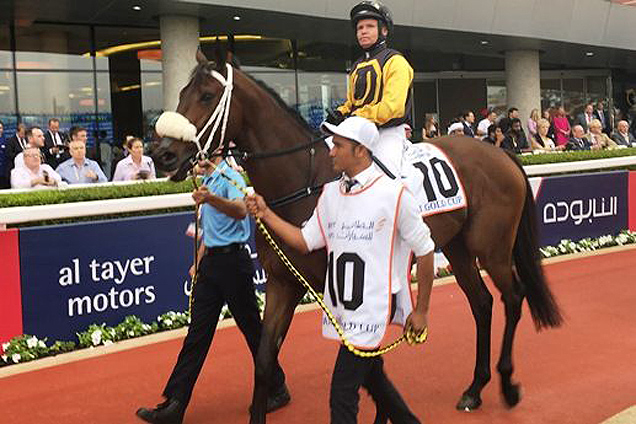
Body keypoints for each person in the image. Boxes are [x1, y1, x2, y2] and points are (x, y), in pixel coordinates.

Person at [246, 116, 435, 424]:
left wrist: (422, 309)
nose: (330, 152)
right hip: (343, 309)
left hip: (374, 309)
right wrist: (266, 214)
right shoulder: (331, 194)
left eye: (338, 145)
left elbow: (425, 251)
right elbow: (304, 241)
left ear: (361, 151)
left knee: (341, 395)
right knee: (375, 382)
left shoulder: (394, 194)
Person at [136, 154, 289, 424]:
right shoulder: (207, 181)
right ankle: (175, 403)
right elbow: (210, 230)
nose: (197, 163)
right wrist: (199, 259)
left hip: (234, 264)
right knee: (197, 334)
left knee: (253, 330)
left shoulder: (230, 177)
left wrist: (210, 199)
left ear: (214, 156)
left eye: (201, 158)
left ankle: (277, 386)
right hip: (212, 265)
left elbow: (241, 210)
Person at [326, 1, 412, 178]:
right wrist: (340, 113)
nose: (363, 31)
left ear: (384, 31)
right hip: (358, 131)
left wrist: (356, 117)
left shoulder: (396, 61)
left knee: (387, 177)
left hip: (387, 132)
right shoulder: (357, 65)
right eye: (360, 28)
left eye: (370, 26)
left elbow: (393, 108)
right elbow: (352, 102)